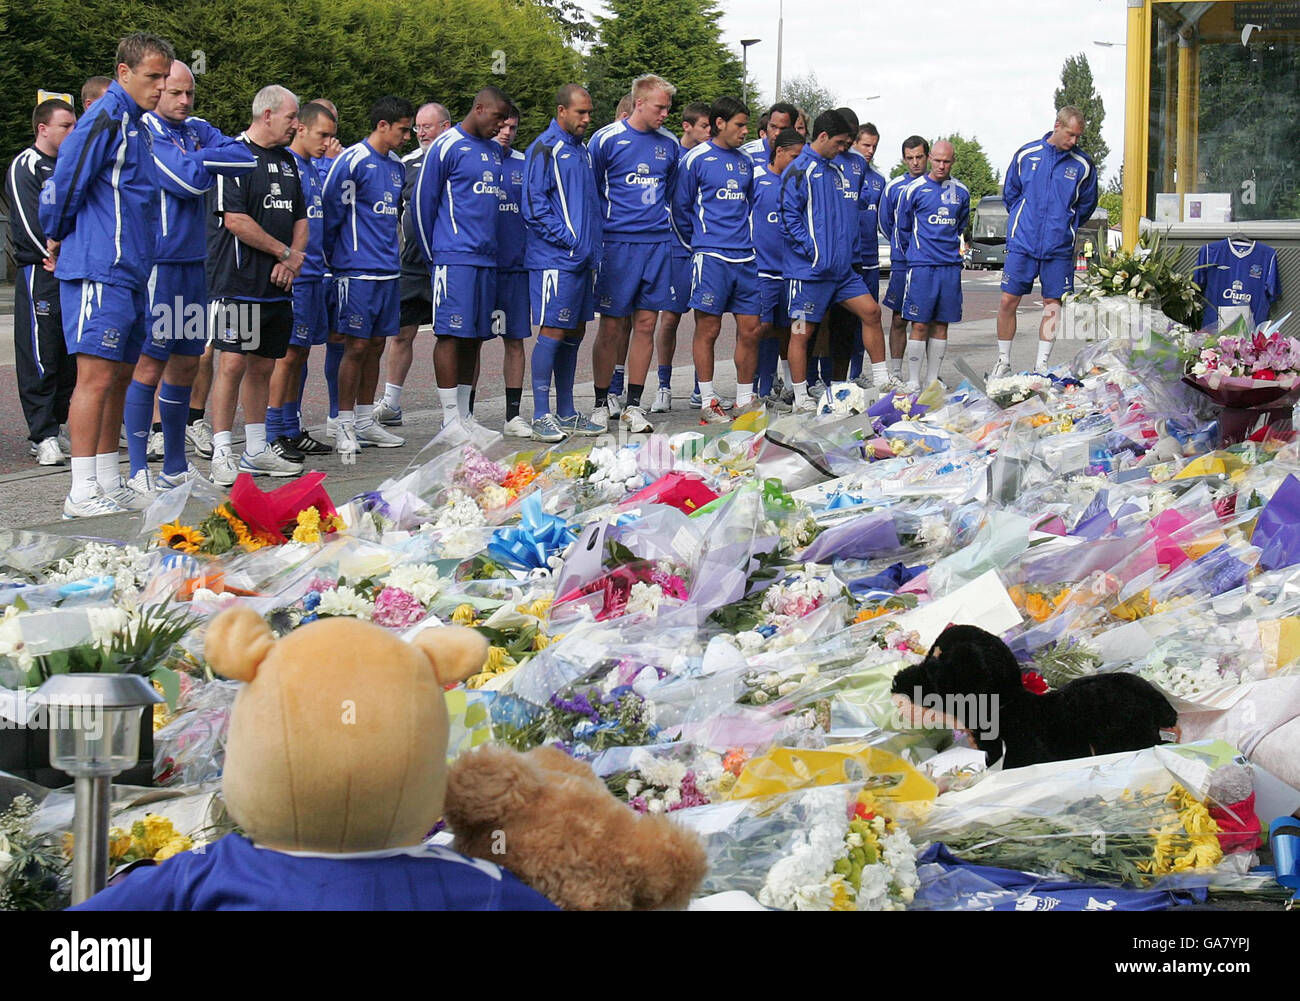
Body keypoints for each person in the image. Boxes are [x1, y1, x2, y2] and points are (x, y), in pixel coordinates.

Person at [40, 33, 174, 518]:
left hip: (130, 272)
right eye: (152, 77)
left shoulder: (137, 124)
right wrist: (55, 235)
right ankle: (80, 492)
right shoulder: (105, 117)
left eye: (165, 77)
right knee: (95, 377)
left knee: (119, 374)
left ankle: (107, 479)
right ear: (123, 73)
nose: (160, 87)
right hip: (100, 267)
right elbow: (64, 183)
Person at [124, 61, 256, 496]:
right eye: (175, 93)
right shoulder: (143, 129)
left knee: (186, 360)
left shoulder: (197, 127)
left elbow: (244, 158)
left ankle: (177, 467)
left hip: (195, 264)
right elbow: (186, 182)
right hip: (159, 265)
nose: (184, 102)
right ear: (158, 90)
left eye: (189, 94)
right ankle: (139, 468)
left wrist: (195, 159)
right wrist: (200, 162)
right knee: (150, 362)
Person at [205, 84, 309, 486]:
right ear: (266, 115)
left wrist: (293, 260)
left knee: (265, 364)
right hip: (238, 281)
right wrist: (284, 254)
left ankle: (256, 449)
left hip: (278, 284)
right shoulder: (232, 157)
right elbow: (235, 219)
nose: (295, 124)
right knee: (231, 363)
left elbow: (301, 217)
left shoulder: (287, 161)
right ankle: (222, 451)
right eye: (290, 117)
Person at [413, 86, 512, 433]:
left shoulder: (492, 151)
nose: (501, 127)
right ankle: (449, 420)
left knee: (475, 337)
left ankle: (466, 417)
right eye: (497, 118)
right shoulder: (446, 145)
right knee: (450, 335)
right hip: (454, 259)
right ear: (480, 108)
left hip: (486, 260)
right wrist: (435, 257)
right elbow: (422, 206)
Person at [320, 95, 413, 462]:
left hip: (388, 271)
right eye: (403, 130)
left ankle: (363, 420)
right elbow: (330, 212)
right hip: (355, 271)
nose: (407, 136)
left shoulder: (396, 167)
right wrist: (336, 262)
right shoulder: (352, 160)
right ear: (382, 126)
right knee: (354, 346)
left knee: (376, 345)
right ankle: (342, 422)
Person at [588, 74, 680, 432]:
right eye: (660, 107)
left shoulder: (669, 144)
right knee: (611, 326)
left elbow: (670, 192)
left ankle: (633, 405)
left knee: (646, 323)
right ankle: (600, 402)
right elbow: (592, 191)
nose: (665, 114)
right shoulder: (606, 139)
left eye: (668, 108)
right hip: (617, 244)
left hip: (656, 244)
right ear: (638, 103)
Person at [781, 110, 888, 412]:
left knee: (871, 311)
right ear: (823, 136)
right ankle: (800, 396)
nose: (844, 149)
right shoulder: (798, 169)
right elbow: (789, 218)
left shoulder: (837, 170)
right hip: (809, 273)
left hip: (842, 271)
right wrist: (814, 251)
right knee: (802, 332)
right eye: (840, 143)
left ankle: (883, 380)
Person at [521, 84, 603, 443]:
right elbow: (534, 207)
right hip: (555, 260)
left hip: (581, 262)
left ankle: (567, 412)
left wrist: (591, 249)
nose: (587, 119)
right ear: (561, 112)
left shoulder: (581, 151)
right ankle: (541, 414)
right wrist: (571, 242)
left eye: (589, 112)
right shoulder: (544, 148)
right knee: (553, 331)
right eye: (580, 113)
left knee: (574, 333)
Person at [672, 96, 760, 425]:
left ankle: (743, 398)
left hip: (746, 258)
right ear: (720, 123)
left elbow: (748, 206)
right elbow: (680, 210)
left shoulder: (745, 161)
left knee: (751, 330)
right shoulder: (695, 159)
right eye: (739, 124)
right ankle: (708, 401)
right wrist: (698, 247)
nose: (745, 131)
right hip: (711, 257)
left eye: (746, 125)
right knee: (708, 330)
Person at [996, 106, 1097, 376]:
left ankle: (1041, 364)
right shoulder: (1026, 154)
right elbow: (1011, 194)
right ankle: (1003, 362)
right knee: (1008, 300)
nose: (1074, 141)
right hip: (1023, 242)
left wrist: (1064, 225)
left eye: (1078, 137)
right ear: (1057, 125)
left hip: (1058, 247)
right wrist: (1024, 218)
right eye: (1071, 134)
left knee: (1053, 305)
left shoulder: (1083, 165)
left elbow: (1086, 205)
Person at [7, 98, 77, 467]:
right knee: (41, 350)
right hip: (41, 271)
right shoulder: (27, 165)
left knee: (69, 354)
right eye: (66, 125)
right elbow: (26, 218)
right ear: (43, 129)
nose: (72, 131)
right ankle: (42, 434)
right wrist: (52, 254)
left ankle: (58, 423)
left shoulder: (71, 166)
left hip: (68, 270)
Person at [375, 101, 452, 427]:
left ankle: (454, 411)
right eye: (417, 127)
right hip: (411, 265)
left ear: (445, 127)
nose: (419, 132)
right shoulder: (405, 164)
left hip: (448, 264)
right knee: (402, 333)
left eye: (427, 126)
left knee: (450, 335)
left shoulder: (457, 158)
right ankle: (391, 403)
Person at [272, 100, 338, 458]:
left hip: (315, 275)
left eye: (332, 136)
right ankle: (274, 433)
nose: (328, 142)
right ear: (301, 128)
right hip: (293, 277)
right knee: (286, 355)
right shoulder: (285, 165)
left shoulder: (313, 168)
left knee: (300, 355)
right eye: (322, 134)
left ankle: (291, 426)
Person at [650, 100, 710, 414]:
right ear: (687, 126)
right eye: (704, 126)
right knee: (669, 318)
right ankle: (663, 387)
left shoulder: (711, 157)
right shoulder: (673, 154)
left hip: (703, 250)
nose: (709, 132)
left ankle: (703, 389)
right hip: (676, 249)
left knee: (706, 320)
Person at [895, 140, 969, 389]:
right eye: (937, 160)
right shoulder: (913, 189)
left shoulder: (962, 192)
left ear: (953, 161)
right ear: (930, 159)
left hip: (949, 266)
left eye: (946, 161)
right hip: (922, 266)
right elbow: (902, 228)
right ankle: (914, 380)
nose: (941, 165)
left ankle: (931, 379)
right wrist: (915, 255)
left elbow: (960, 225)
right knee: (919, 323)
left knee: (941, 323)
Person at [751, 128, 805, 406]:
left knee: (794, 329)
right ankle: (753, 390)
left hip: (793, 272)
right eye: (795, 156)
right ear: (779, 151)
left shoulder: (799, 182)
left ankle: (793, 388)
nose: (798, 163)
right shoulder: (756, 177)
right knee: (760, 328)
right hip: (762, 270)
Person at [493, 104, 533, 437]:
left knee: (515, 340)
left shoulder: (525, 164)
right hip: (480, 268)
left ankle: (513, 414)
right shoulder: (471, 157)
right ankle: (462, 414)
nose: (506, 132)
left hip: (516, 269)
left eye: (513, 128)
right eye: (501, 126)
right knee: (469, 342)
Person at [880, 136, 929, 378]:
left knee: (927, 319)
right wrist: (902, 247)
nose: (915, 162)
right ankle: (896, 374)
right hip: (902, 262)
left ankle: (929, 375)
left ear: (927, 157)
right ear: (904, 159)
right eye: (910, 158)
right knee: (899, 318)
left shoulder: (941, 184)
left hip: (930, 263)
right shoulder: (894, 187)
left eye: (919, 157)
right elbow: (885, 222)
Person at [850, 123, 887, 384]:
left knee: (869, 316)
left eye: (874, 146)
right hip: (846, 259)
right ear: (854, 143)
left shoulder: (878, 179)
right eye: (866, 145)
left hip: (870, 260)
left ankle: (858, 373)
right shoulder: (841, 174)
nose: (870, 150)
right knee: (837, 323)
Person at [740, 101, 798, 170]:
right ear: (767, 126)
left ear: (793, 130)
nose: (777, 133)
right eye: (773, 127)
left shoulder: (801, 157)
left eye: (783, 129)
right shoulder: (746, 153)